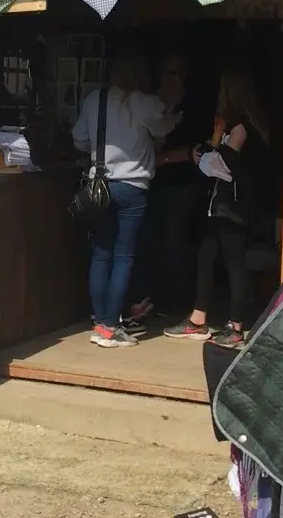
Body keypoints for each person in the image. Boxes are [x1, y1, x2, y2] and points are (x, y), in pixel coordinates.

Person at [72, 55, 179, 349]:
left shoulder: (94, 100)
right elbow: (163, 128)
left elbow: (79, 139)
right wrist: (173, 110)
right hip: (132, 188)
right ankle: (111, 326)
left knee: (100, 255)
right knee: (124, 257)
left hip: (100, 186)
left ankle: (99, 322)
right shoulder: (142, 102)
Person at [164, 68, 268, 347]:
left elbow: (221, 165)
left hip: (231, 206)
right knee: (206, 256)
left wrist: (211, 144)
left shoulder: (241, 128)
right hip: (219, 204)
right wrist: (205, 148)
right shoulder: (238, 126)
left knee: (234, 263)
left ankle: (235, 326)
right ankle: (198, 319)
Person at [122, 53, 209, 329]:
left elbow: (196, 148)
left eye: (180, 74)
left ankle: (177, 302)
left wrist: (167, 157)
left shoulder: (192, 107)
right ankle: (155, 299)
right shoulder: (149, 104)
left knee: (175, 243)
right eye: (170, 73)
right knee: (153, 243)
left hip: (182, 184)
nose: (176, 79)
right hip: (153, 182)